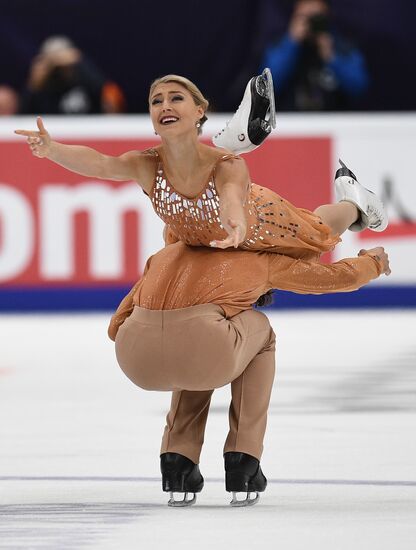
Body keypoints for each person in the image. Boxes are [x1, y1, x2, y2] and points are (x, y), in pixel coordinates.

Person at [108, 240, 390, 506]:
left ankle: (176, 463)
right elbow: (335, 278)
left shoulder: (164, 256)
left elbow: (116, 326)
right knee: (253, 333)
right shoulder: (259, 258)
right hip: (204, 349)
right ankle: (243, 461)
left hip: (134, 359)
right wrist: (373, 262)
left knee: (197, 338)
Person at [14, 73, 387, 260]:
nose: (164, 105)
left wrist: (236, 224)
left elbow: (229, 198)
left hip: (257, 222)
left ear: (199, 111)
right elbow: (101, 165)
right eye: (156, 101)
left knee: (316, 235)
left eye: (176, 98)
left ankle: (353, 202)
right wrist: (52, 150)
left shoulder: (227, 166)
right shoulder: (146, 164)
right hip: (199, 239)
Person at [261, 0, 369, 111]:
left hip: (334, 120)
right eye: (304, 18)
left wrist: (332, 58)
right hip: (291, 120)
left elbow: (359, 88)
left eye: (316, 19)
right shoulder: (280, 45)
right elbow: (267, 87)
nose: (310, 25)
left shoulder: (342, 47)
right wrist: (291, 43)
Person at [20, 35, 126, 115]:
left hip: (89, 128)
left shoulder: (83, 74)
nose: (59, 65)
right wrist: (34, 84)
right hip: (53, 132)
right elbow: (25, 113)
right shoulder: (43, 83)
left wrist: (79, 63)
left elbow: (105, 90)